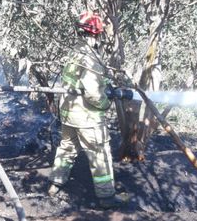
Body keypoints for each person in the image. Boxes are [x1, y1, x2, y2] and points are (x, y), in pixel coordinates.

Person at [47, 11, 133, 209]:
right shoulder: (91, 58)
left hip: (68, 113)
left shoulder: (74, 53)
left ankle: (55, 185)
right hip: (87, 117)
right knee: (99, 154)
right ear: (96, 34)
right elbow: (93, 94)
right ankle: (107, 198)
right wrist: (106, 103)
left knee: (67, 149)